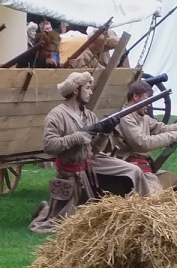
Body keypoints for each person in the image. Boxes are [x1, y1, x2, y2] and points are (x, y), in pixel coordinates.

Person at [29, 71, 157, 233]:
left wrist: (106, 131)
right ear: (76, 91)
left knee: (133, 171)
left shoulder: (88, 115)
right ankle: (45, 211)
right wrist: (76, 138)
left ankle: (147, 213)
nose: (90, 92)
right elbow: (49, 146)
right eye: (87, 88)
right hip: (71, 172)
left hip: (90, 163)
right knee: (64, 224)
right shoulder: (56, 116)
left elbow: (95, 149)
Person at [113, 80, 177, 195]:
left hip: (148, 169)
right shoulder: (125, 118)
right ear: (135, 96)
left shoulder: (143, 117)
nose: (149, 104)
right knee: (156, 199)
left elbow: (164, 129)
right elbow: (142, 143)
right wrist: (171, 137)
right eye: (147, 100)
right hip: (134, 172)